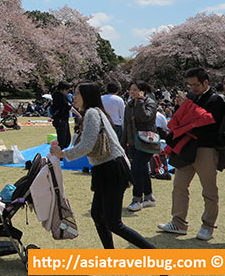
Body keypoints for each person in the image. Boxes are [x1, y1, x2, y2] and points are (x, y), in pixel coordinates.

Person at [50, 83, 158, 253]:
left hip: (112, 169)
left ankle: (155, 254)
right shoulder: (94, 112)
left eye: (77, 93)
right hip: (105, 168)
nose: (74, 96)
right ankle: (110, 255)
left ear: (87, 96)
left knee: (114, 223)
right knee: (98, 215)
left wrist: (62, 154)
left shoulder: (92, 113)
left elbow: (87, 145)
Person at [158, 67, 225, 241]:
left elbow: (211, 125)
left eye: (196, 85)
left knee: (209, 190)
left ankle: (208, 226)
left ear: (206, 83)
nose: (193, 88)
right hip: (186, 148)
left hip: (205, 149)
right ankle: (178, 222)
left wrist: (187, 107)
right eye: (190, 85)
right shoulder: (191, 97)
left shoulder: (217, 100)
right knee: (179, 185)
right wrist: (185, 106)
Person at [120, 81, 158, 212]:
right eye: (131, 90)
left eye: (135, 90)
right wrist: (123, 142)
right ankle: (149, 197)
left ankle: (137, 199)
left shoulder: (150, 103)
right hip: (133, 142)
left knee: (136, 168)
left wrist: (141, 102)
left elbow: (145, 117)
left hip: (147, 142)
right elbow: (126, 124)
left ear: (143, 91)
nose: (132, 92)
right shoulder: (129, 105)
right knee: (141, 169)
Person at [51, 81, 72, 149]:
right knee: (62, 140)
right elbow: (67, 106)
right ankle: (58, 156)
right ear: (62, 89)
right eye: (66, 90)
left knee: (67, 139)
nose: (68, 91)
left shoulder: (63, 96)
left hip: (64, 119)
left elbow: (69, 105)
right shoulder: (58, 97)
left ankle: (61, 154)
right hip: (60, 120)